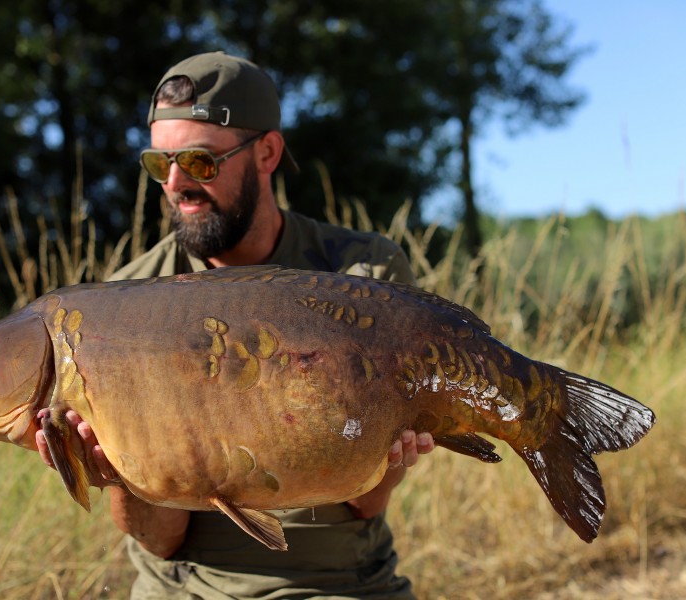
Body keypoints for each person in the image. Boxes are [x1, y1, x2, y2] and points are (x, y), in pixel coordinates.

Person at [37, 52, 435, 599]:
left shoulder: (363, 276)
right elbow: (159, 542)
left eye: (200, 161)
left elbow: (365, 503)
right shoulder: (120, 302)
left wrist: (389, 455)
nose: (176, 183)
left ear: (267, 152)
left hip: (338, 582)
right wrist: (118, 472)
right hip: (185, 585)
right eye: (160, 164)